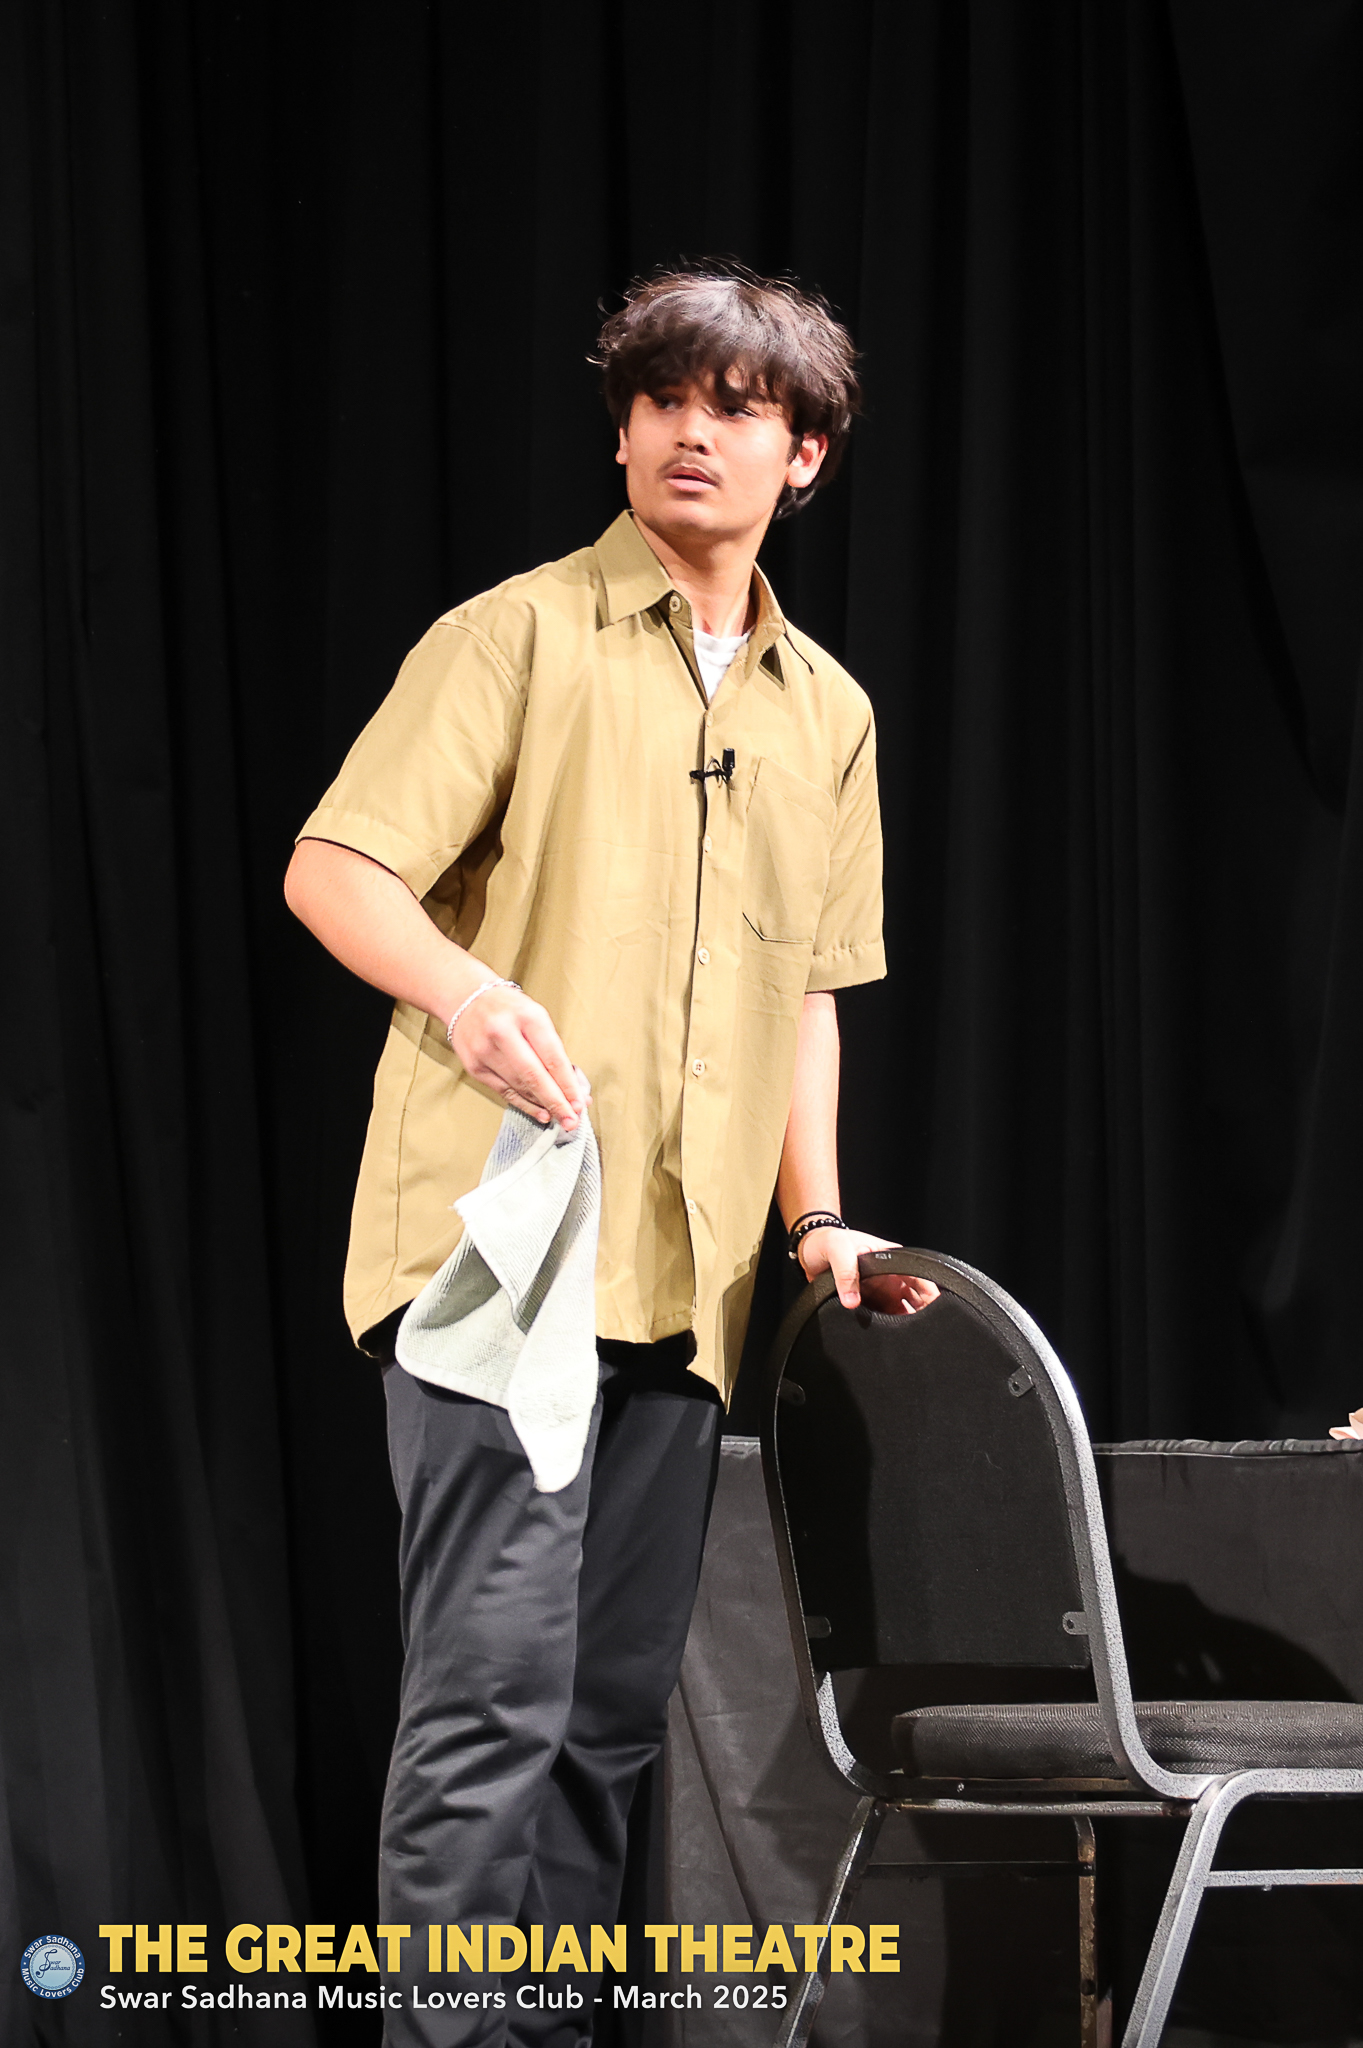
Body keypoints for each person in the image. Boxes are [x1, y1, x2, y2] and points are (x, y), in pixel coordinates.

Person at [284, 263, 935, 2046]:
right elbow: (336, 867)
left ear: (805, 454)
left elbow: (811, 990)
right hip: (504, 1258)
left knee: (606, 1721)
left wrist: (816, 1216)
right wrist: (468, 992)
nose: (687, 433)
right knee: (491, 1701)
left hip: (683, 1282)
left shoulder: (829, 712)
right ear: (624, 432)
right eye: (660, 401)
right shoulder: (518, 637)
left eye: (734, 407)